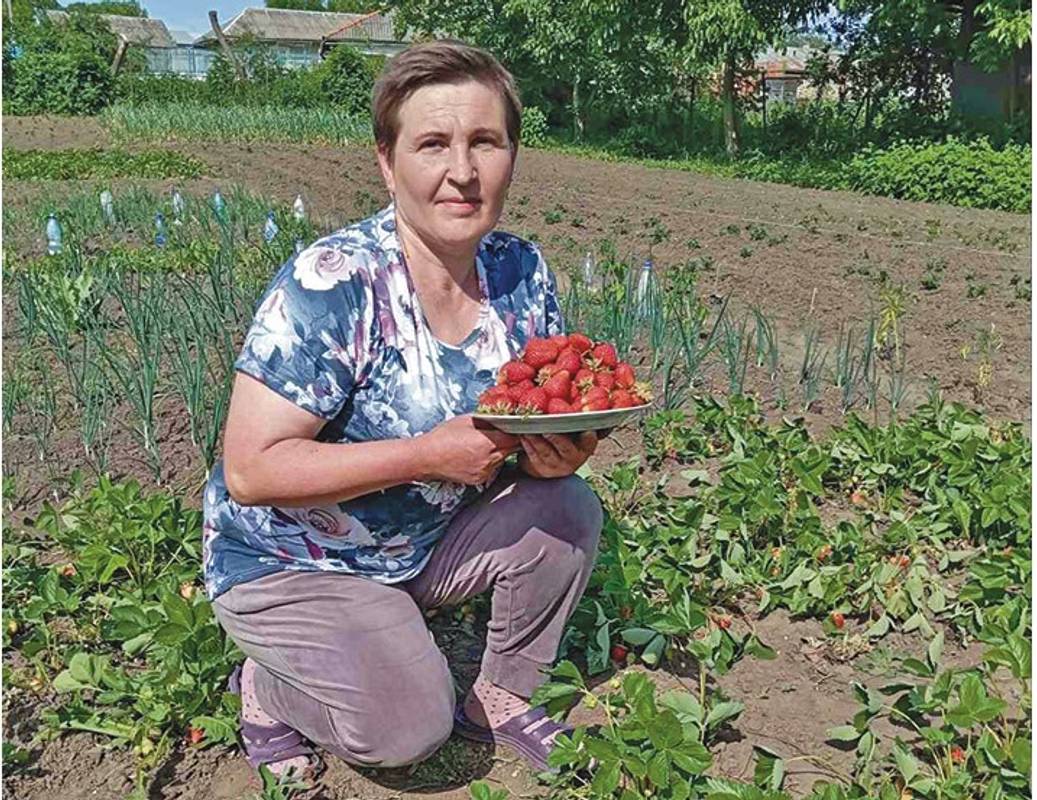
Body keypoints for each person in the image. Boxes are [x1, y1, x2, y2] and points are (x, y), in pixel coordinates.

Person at [202, 39, 604, 780]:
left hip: (418, 542)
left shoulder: (520, 272)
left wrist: (557, 449)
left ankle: (500, 695)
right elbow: (252, 471)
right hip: (296, 560)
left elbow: (522, 413)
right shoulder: (336, 285)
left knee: (568, 508)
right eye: (432, 144)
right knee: (406, 732)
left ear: (513, 153)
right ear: (387, 164)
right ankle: (269, 688)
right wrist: (424, 456)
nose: (462, 170)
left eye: (485, 141)